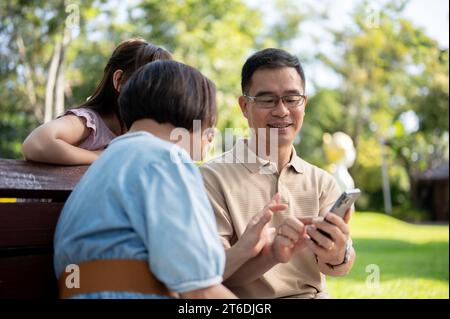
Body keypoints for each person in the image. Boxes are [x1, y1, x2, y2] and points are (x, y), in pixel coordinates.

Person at [54, 60, 236, 299]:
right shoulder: (165, 159)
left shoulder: (109, 160)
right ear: (195, 115)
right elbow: (201, 289)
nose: (210, 141)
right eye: (211, 128)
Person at [200, 48, 356, 299]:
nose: (282, 111)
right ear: (244, 106)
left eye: (292, 99)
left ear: (304, 104)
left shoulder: (323, 183)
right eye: (267, 100)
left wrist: (338, 252)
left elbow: (339, 267)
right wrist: (267, 253)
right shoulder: (211, 179)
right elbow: (210, 274)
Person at [22, 38, 172, 165]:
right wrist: (106, 156)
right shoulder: (92, 123)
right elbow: (36, 143)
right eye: (151, 86)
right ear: (119, 80)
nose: (158, 99)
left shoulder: (137, 137)